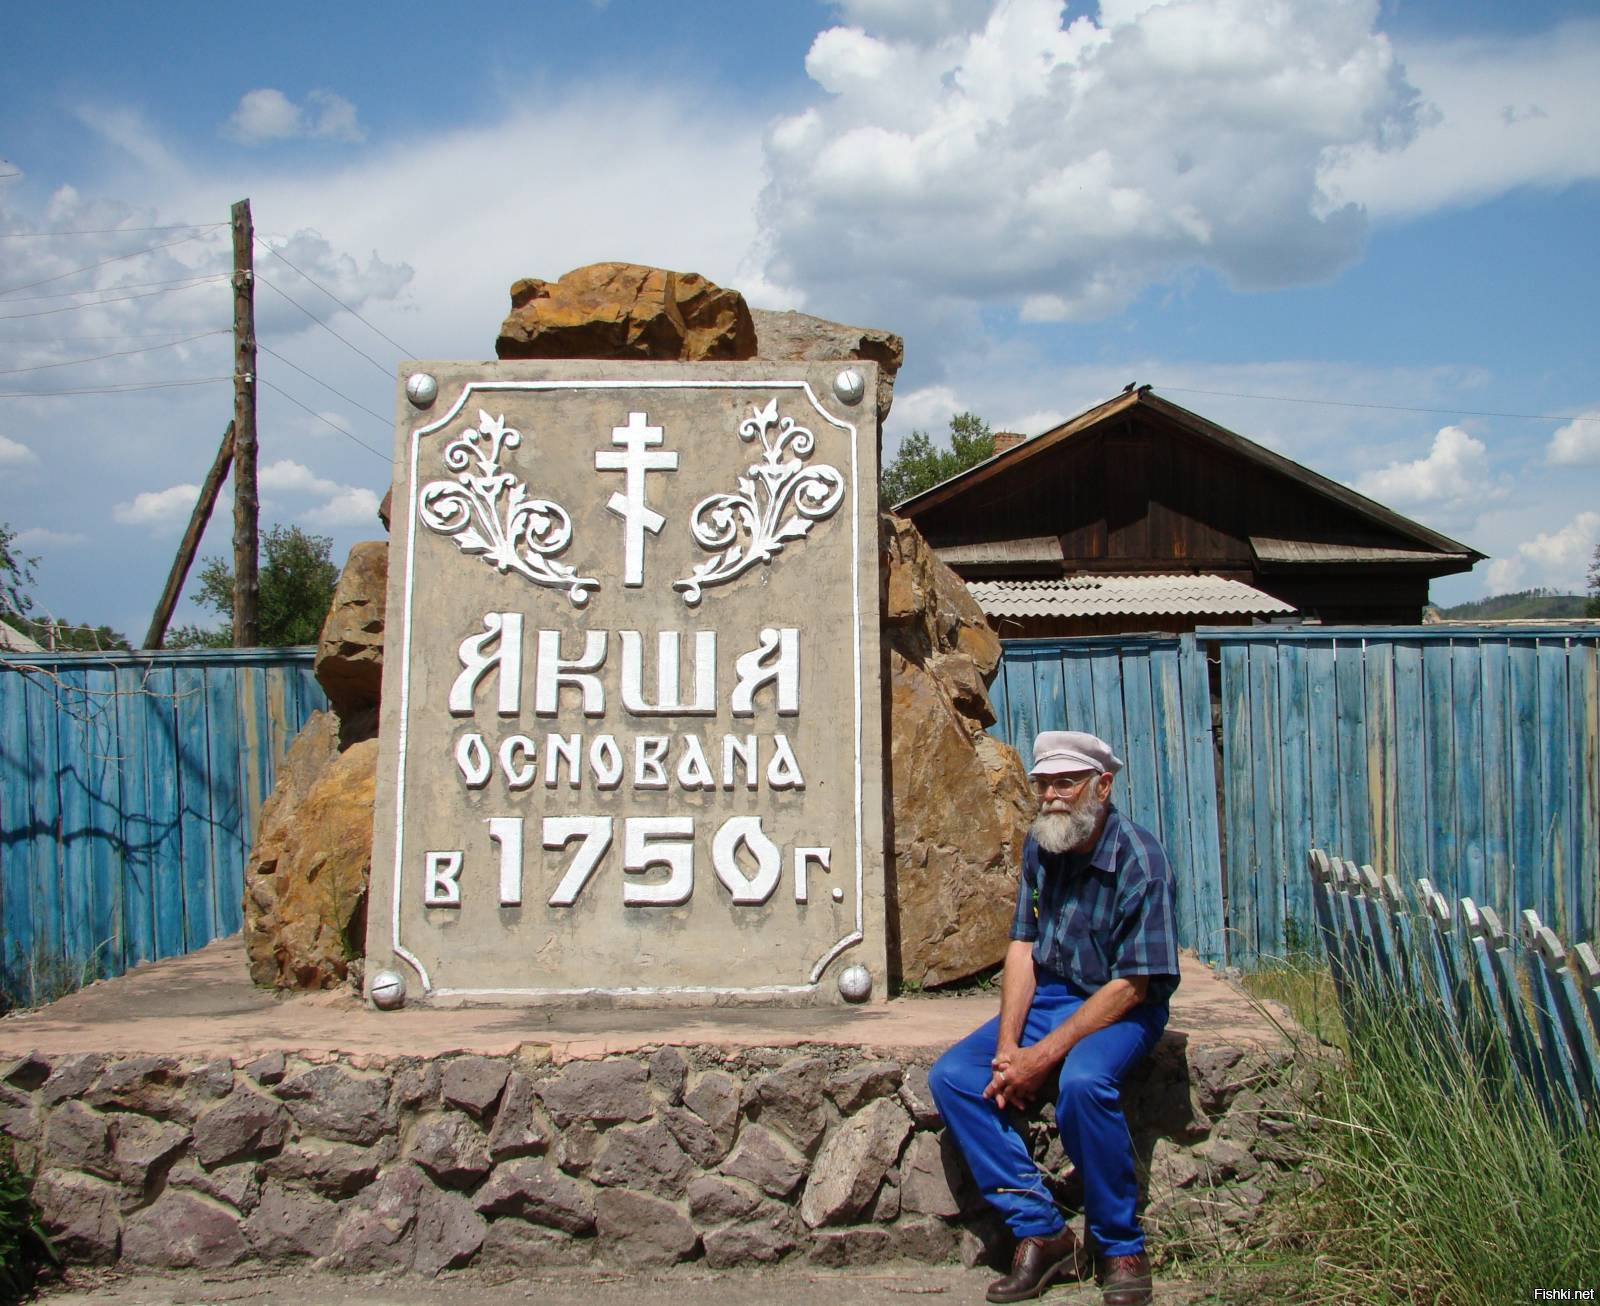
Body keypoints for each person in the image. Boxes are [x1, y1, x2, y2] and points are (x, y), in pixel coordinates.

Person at [928, 730, 1180, 1306]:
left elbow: (1133, 985)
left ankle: (1120, 1245)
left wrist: (1040, 1061)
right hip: (1054, 995)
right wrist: (1010, 1050)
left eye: (1066, 783)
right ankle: (1042, 1230)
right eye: (1043, 784)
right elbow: (1022, 946)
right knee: (953, 1077)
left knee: (1084, 1084)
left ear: (1102, 785)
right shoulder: (1041, 844)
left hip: (1122, 1004)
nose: (1052, 797)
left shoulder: (1141, 859)